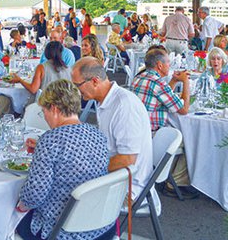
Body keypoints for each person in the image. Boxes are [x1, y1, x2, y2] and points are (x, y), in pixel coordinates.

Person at [15, 80, 113, 240]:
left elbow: (34, 196)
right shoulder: (97, 134)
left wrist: (19, 206)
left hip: (62, 230)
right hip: (101, 225)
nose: (44, 117)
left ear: (53, 108)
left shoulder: (50, 140)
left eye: (43, 112)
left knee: (7, 215)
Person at [71, 57, 153, 201]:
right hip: (115, 176)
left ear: (95, 81)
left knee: (62, 189)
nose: (76, 91)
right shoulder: (107, 100)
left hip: (128, 186)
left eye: (78, 86)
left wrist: (89, 169)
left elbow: (127, 159)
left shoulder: (124, 106)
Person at [131, 48, 195, 197]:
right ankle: (176, 182)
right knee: (190, 140)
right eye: (168, 63)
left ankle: (169, 175)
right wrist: (186, 82)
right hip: (151, 135)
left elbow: (163, 98)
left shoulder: (139, 78)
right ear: (159, 65)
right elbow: (184, 109)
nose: (169, 66)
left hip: (137, 131)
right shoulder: (158, 83)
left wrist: (173, 81)